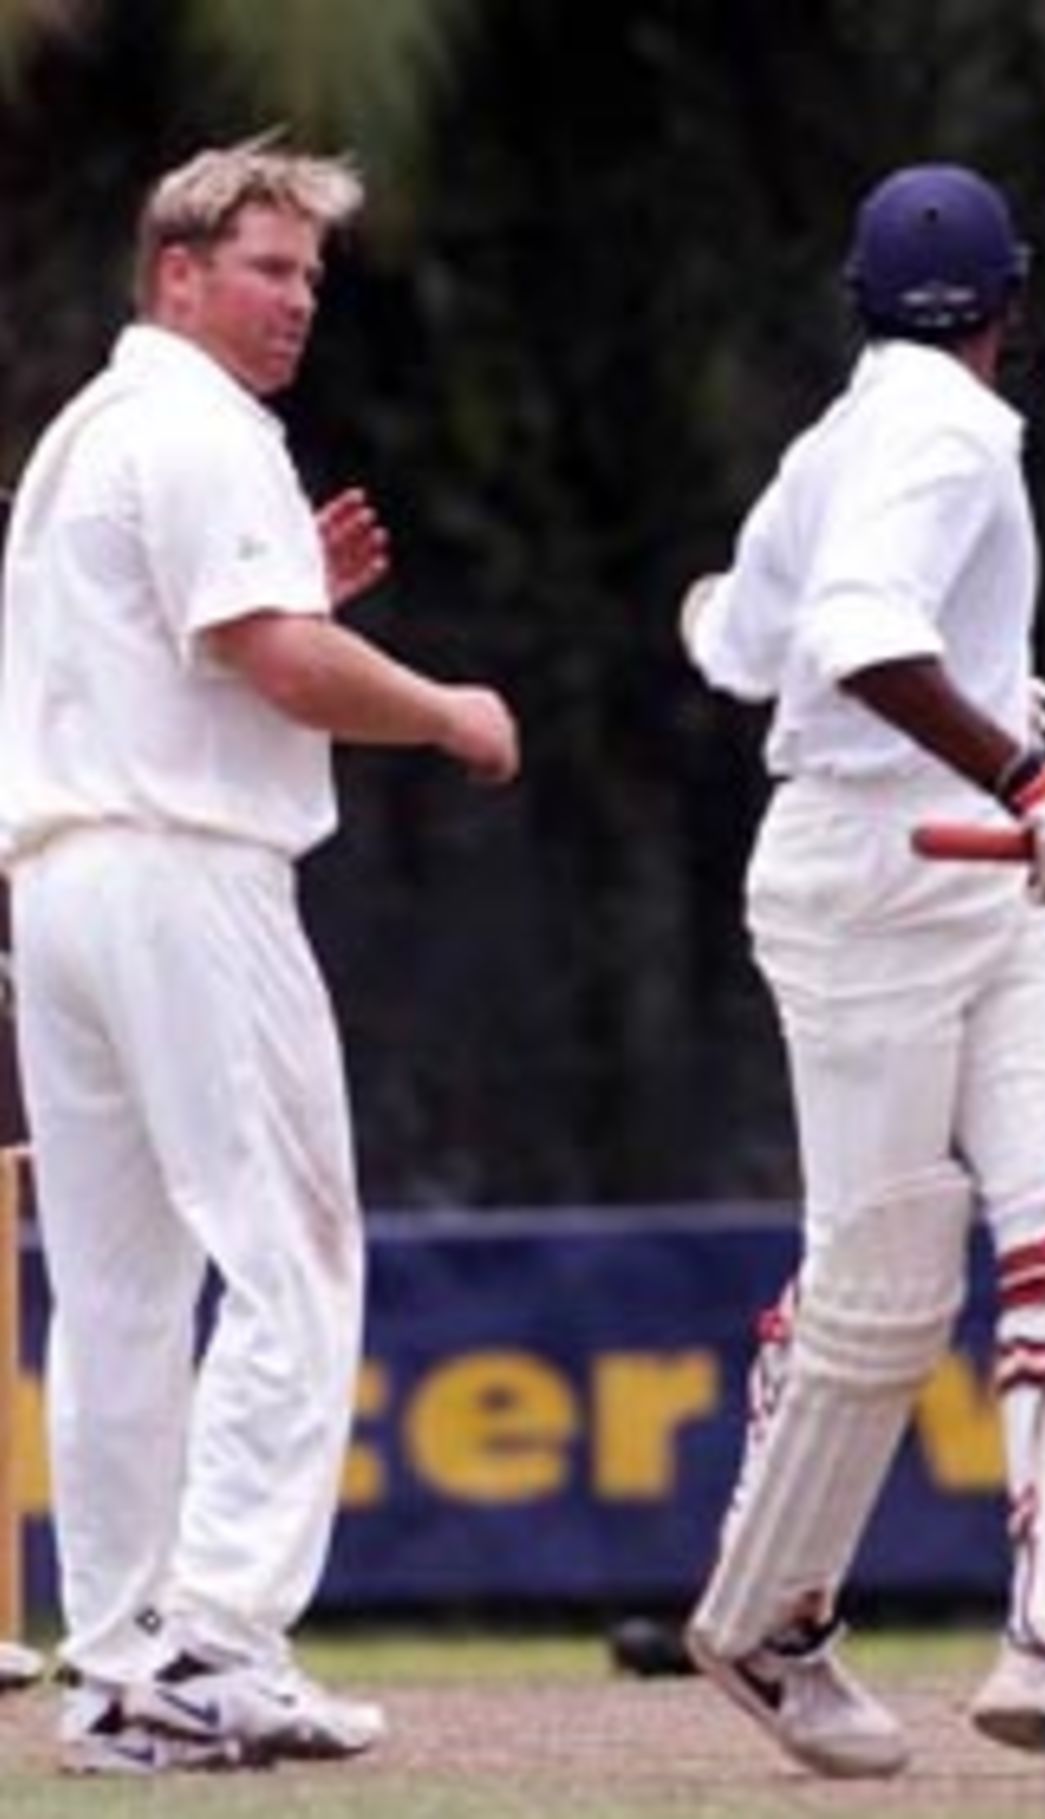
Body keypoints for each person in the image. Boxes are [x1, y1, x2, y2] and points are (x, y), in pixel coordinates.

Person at [0, 139, 519, 1775]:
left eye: (309, 276)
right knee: (291, 1254)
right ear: (177, 274)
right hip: (188, 882)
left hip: (67, 889)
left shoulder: (92, 431)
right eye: (267, 270)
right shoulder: (201, 428)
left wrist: (296, 590)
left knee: (121, 1295)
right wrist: (446, 712)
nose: (297, 303)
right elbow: (277, 665)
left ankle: (120, 1667)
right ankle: (216, 1635)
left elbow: (203, 641)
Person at [678, 163, 1045, 1779]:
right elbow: (847, 633)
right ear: (1010, 307)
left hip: (966, 879)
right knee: (888, 1288)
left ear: (858, 298)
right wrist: (1027, 783)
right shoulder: (949, 431)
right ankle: (766, 1616)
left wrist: (992, 709)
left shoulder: (830, 446)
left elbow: (737, 646)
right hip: (897, 878)